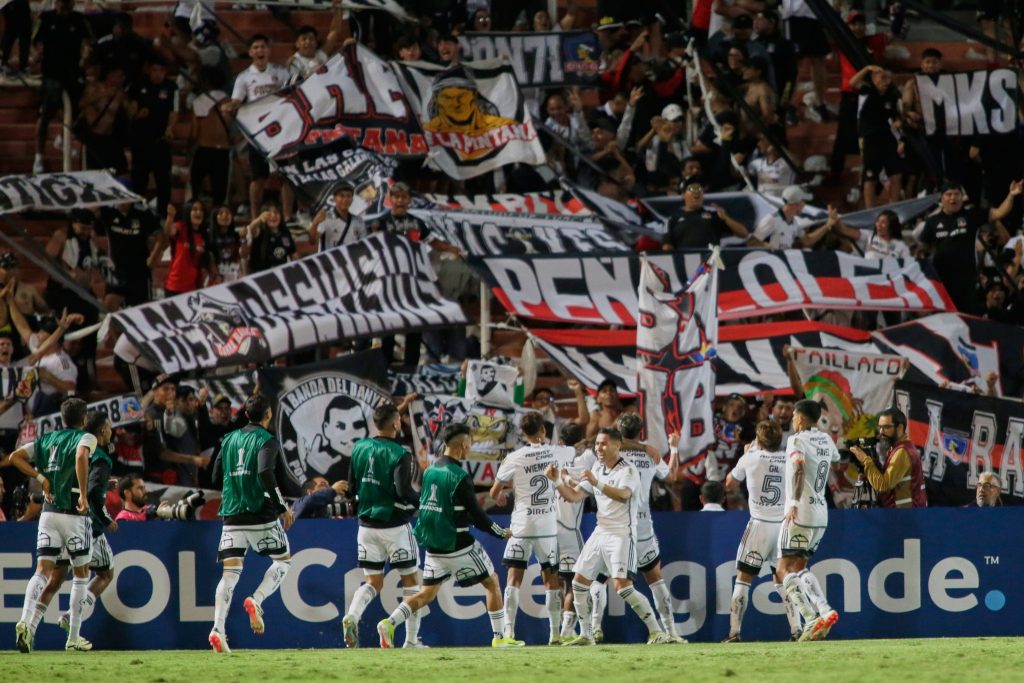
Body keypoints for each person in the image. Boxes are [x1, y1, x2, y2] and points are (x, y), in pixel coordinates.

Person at [376, 422, 523, 649]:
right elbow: (477, 516)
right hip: (459, 544)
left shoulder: (430, 471)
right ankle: (500, 638)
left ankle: (389, 622)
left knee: (426, 594)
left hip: (435, 546)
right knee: (491, 583)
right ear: (464, 446)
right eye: (470, 443)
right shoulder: (460, 476)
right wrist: (500, 532)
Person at [554, 428, 674, 646]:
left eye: (603, 444)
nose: (598, 448)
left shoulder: (627, 471)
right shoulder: (598, 467)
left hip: (622, 534)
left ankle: (657, 632)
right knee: (579, 583)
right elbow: (574, 495)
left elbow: (623, 495)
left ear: (617, 446)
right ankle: (586, 635)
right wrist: (557, 482)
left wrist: (596, 482)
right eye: (597, 443)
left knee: (623, 588)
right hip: (601, 531)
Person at [208, 394, 294, 654]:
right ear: (268, 415)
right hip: (260, 514)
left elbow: (214, 476)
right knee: (283, 561)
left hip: (232, 516)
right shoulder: (267, 441)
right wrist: (282, 507)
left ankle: (217, 629)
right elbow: (265, 472)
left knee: (229, 575)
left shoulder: (228, 439)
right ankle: (256, 600)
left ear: (246, 414)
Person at [9, 397, 94, 652]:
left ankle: (25, 621)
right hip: (74, 514)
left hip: (48, 514)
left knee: (42, 571)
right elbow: (81, 456)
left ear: (62, 418)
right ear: (85, 418)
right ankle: (73, 638)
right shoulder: (86, 438)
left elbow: (15, 457)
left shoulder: (46, 440)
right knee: (81, 574)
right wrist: (83, 494)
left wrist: (40, 477)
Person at [342, 404, 422, 649]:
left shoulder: (359, 448)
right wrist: (423, 500)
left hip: (366, 526)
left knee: (373, 582)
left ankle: (352, 616)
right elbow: (403, 491)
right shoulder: (400, 453)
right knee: (412, 583)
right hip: (394, 525)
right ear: (396, 423)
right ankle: (409, 641)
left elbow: (351, 488)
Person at [723, 420, 802, 642]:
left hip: (759, 525)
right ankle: (797, 629)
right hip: (784, 525)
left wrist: (747, 454)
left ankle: (734, 633)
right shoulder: (788, 457)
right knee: (783, 579)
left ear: (758, 439)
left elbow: (729, 483)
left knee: (743, 579)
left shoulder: (750, 457)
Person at [488, 411, 562, 644]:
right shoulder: (556, 453)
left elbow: (493, 493)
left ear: (522, 433)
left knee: (513, 579)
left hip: (521, 525)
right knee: (551, 579)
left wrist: (501, 495)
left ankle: (509, 632)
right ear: (543, 430)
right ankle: (555, 635)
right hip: (547, 526)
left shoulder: (514, 457)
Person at [608, 413, 683, 642]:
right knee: (655, 579)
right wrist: (674, 448)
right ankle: (671, 632)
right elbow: (672, 477)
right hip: (642, 526)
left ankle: (588, 631)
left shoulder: (612, 454)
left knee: (596, 578)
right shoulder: (649, 455)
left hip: (616, 526)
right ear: (640, 432)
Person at [777, 399, 841, 642]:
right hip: (821, 513)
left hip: (800, 510)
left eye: (794, 416)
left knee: (783, 568)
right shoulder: (825, 438)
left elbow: (800, 468)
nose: (793, 420)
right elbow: (835, 457)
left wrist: (793, 503)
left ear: (800, 418)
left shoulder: (796, 440)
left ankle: (810, 618)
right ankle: (824, 610)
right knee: (800, 568)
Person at [916, 180, 1021, 314]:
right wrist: (920, 256)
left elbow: (999, 212)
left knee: (964, 317)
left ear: (962, 197)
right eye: (949, 194)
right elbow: (923, 248)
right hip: (941, 280)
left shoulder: (971, 215)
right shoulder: (932, 221)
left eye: (956, 194)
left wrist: (1011, 195)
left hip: (966, 280)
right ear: (941, 199)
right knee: (942, 318)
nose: (953, 198)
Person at [220, 34, 291, 222]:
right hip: (258, 134)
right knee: (258, 178)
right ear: (251, 52)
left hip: (281, 131)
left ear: (269, 50)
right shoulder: (244, 77)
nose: (260, 50)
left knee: (286, 175)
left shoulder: (281, 72)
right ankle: (254, 216)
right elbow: (237, 100)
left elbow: (293, 93)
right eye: (256, 47)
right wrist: (229, 106)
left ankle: (288, 216)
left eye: (263, 46)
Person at [32, 0, 91, 175]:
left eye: (67, 2)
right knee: (45, 115)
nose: (64, 6)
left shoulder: (80, 20)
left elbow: (89, 42)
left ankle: (63, 140)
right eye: (61, 2)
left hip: (73, 73)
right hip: (51, 74)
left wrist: (85, 56)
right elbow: (35, 42)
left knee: (78, 111)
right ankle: (38, 157)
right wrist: (36, 54)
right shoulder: (45, 18)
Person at [849, 65, 904, 208]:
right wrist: (866, 69)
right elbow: (852, 83)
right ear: (874, 80)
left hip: (887, 137)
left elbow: (897, 116)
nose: (886, 80)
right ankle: (870, 211)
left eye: (888, 77)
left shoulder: (892, 95)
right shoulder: (867, 91)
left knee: (896, 174)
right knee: (870, 176)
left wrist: (898, 122)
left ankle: (895, 209)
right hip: (869, 138)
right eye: (882, 77)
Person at [849, 408, 926, 509]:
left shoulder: (902, 452)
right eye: (880, 427)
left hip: (904, 517)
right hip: (903, 515)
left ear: (899, 428)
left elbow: (883, 485)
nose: (881, 432)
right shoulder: (900, 448)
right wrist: (870, 475)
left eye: (886, 427)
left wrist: (865, 460)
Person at [98, 201, 159, 309]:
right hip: (116, 272)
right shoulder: (108, 209)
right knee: (109, 305)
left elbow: (160, 236)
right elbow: (91, 214)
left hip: (139, 273)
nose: (122, 202)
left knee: (142, 311)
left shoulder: (143, 212)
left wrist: (153, 256)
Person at [662, 180, 752, 249]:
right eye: (692, 189)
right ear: (683, 195)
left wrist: (725, 218)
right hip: (687, 261)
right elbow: (667, 247)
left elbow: (743, 233)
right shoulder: (672, 219)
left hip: (710, 263)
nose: (696, 191)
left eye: (699, 189)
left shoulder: (714, 214)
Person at [751, 185, 829, 249]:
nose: (804, 205)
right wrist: (765, 246)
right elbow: (751, 242)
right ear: (797, 202)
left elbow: (807, 240)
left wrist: (828, 225)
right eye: (804, 201)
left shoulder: (794, 222)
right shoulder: (772, 219)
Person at [163, 202, 212, 296]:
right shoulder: (181, 227)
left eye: (201, 210)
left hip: (192, 289)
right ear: (188, 211)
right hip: (174, 286)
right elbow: (168, 231)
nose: (199, 212)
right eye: (195, 209)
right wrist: (170, 216)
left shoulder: (204, 236)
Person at [241, 203, 296, 274]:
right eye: (269, 214)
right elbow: (250, 229)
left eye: (276, 213)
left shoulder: (285, 232)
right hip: (261, 274)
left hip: (281, 273)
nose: (273, 216)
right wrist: (259, 219)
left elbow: (293, 254)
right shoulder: (259, 231)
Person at [310, 183, 367, 251]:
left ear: (352, 199)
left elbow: (364, 244)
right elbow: (313, 241)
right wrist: (315, 223)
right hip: (330, 261)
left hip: (351, 260)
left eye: (349, 196)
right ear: (334, 199)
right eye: (341, 196)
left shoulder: (358, 221)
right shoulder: (325, 218)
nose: (345, 199)